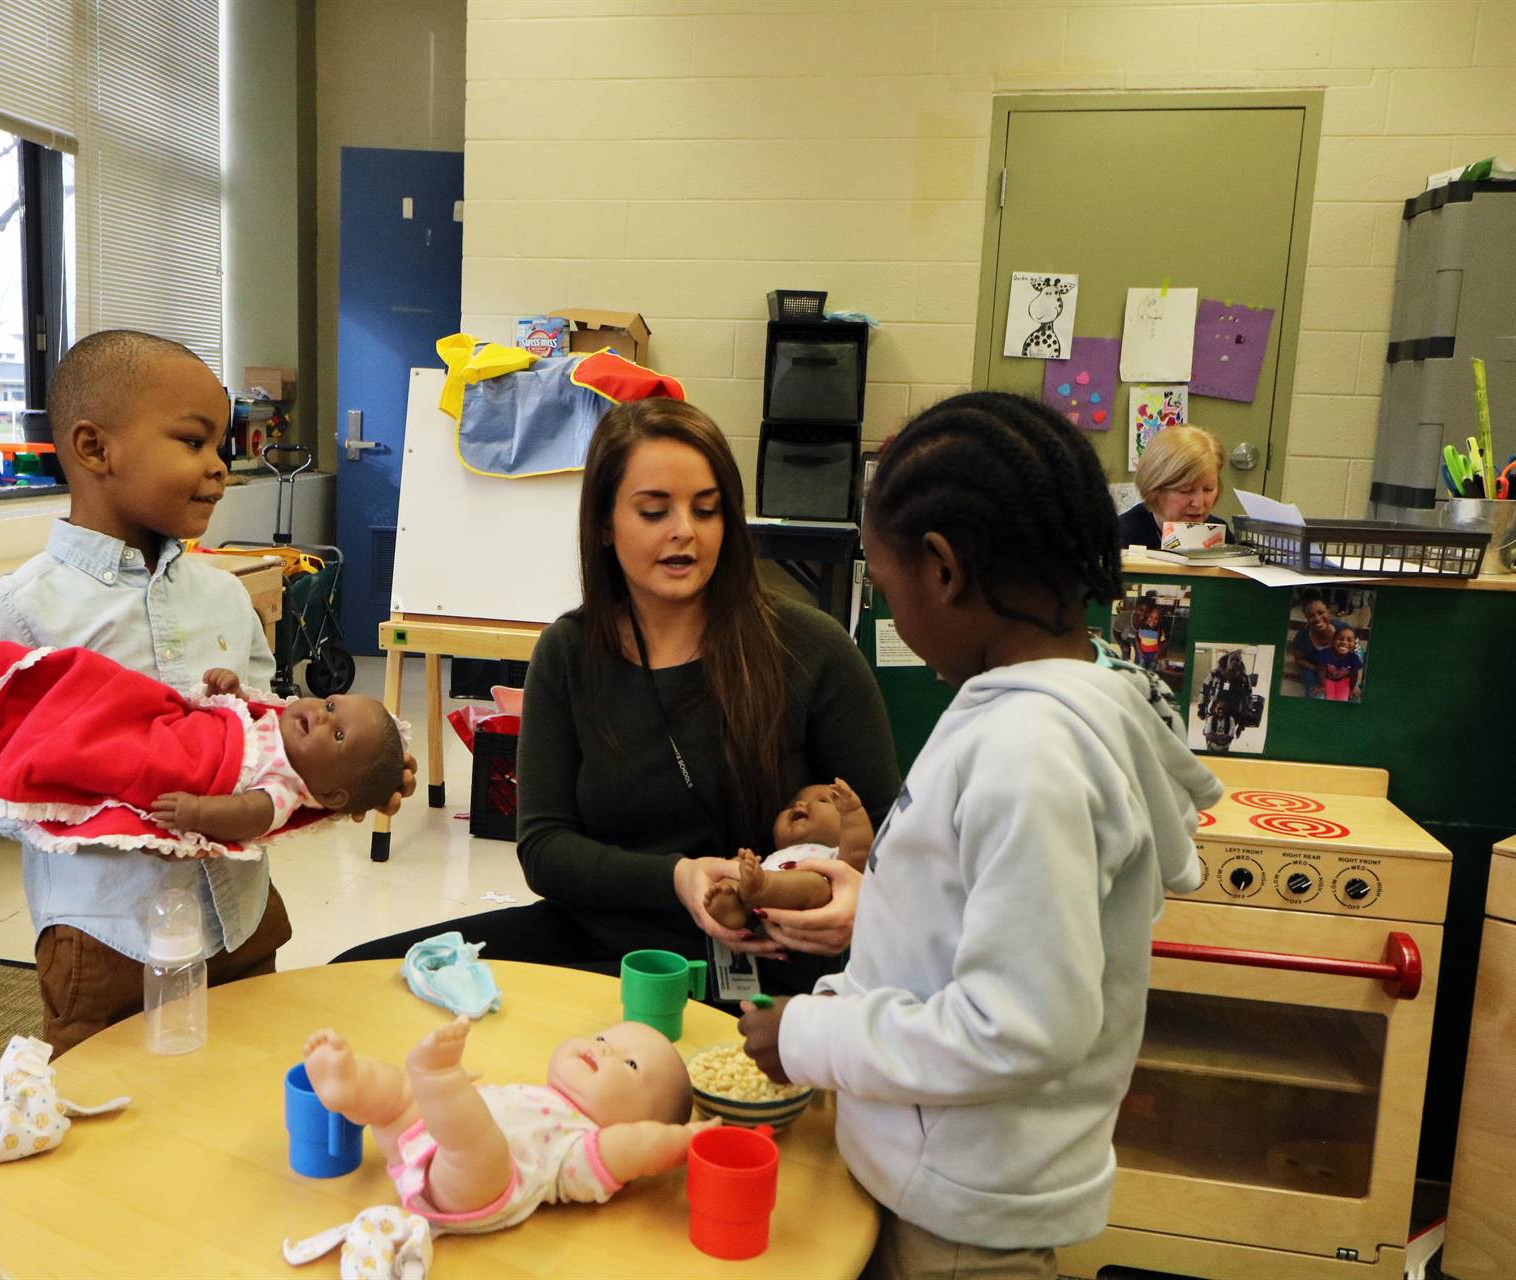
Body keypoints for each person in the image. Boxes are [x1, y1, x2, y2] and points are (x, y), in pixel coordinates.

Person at [737, 391, 1223, 1279]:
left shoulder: (1028, 750)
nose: (892, 614)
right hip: (934, 1168)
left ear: (945, 570)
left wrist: (810, 1039)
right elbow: (960, 926)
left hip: (961, 1219)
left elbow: (1019, 1025)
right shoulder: (1032, 700)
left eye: (884, 588)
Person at [335, 398, 900, 998]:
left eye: (706, 510)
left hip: (762, 962)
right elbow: (545, 848)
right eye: (655, 511)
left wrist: (858, 898)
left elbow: (897, 838)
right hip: (600, 934)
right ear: (605, 523)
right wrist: (676, 878)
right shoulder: (569, 653)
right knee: (359, 980)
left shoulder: (809, 648)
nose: (684, 529)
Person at [0, 329, 413, 1056]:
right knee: (106, 1125)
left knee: (237, 1100)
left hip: (240, 918)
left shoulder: (226, 598)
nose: (220, 468)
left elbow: (270, 743)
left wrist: (347, 773)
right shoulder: (20, 615)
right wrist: (128, 799)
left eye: (222, 446)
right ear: (95, 449)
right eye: (194, 442)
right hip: (107, 936)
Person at [0, 641, 407, 852]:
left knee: (110, 755)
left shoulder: (285, 786)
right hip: (165, 722)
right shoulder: (275, 722)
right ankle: (46, 695)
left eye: (337, 734)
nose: (320, 716)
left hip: (179, 765)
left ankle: (57, 746)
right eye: (331, 706)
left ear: (332, 794)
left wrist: (198, 812)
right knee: (107, 689)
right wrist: (230, 694)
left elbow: (250, 816)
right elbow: (241, 715)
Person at [300, 1016, 707, 1233]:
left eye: (631, 1064)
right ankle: (353, 1087)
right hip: (426, 1141)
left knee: (479, 1146)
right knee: (399, 1099)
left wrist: (682, 1140)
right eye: (603, 1037)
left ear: (638, 1119)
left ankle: (439, 1080)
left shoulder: (584, 1144)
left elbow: (633, 1147)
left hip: (477, 1188)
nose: (604, 1049)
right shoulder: (544, 1098)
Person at [704, 778, 874, 931]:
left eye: (823, 800)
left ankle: (759, 888)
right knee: (735, 871)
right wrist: (740, 868)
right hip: (763, 896)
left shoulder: (837, 853)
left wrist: (853, 812)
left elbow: (859, 852)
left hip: (813, 902)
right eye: (791, 805)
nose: (800, 804)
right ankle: (732, 904)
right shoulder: (775, 857)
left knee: (815, 884)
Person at [1118, 425, 1234, 550]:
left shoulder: (1219, 534)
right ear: (1154, 489)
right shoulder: (1120, 535)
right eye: (1186, 490)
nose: (1198, 503)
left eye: (1208, 489)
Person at [1287, 592, 1352, 698]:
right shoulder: (1302, 637)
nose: (1317, 618)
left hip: (1342, 669)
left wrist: (1343, 671)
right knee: (1317, 696)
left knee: (1353, 697)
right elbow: (1299, 659)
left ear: (1328, 611)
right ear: (1306, 618)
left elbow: (1357, 651)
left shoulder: (1344, 629)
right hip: (1314, 668)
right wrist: (1316, 669)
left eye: (1321, 612)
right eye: (1311, 616)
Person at [1318, 628, 1365, 703]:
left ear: (1355, 644)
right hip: (1328, 680)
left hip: (1344, 681)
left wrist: (1352, 689)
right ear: (1333, 641)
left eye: (1349, 640)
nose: (1344, 642)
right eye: (1340, 639)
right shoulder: (1325, 654)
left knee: (1342, 701)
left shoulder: (1354, 659)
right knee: (1328, 699)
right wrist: (1321, 685)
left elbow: (1354, 675)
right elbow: (1322, 670)